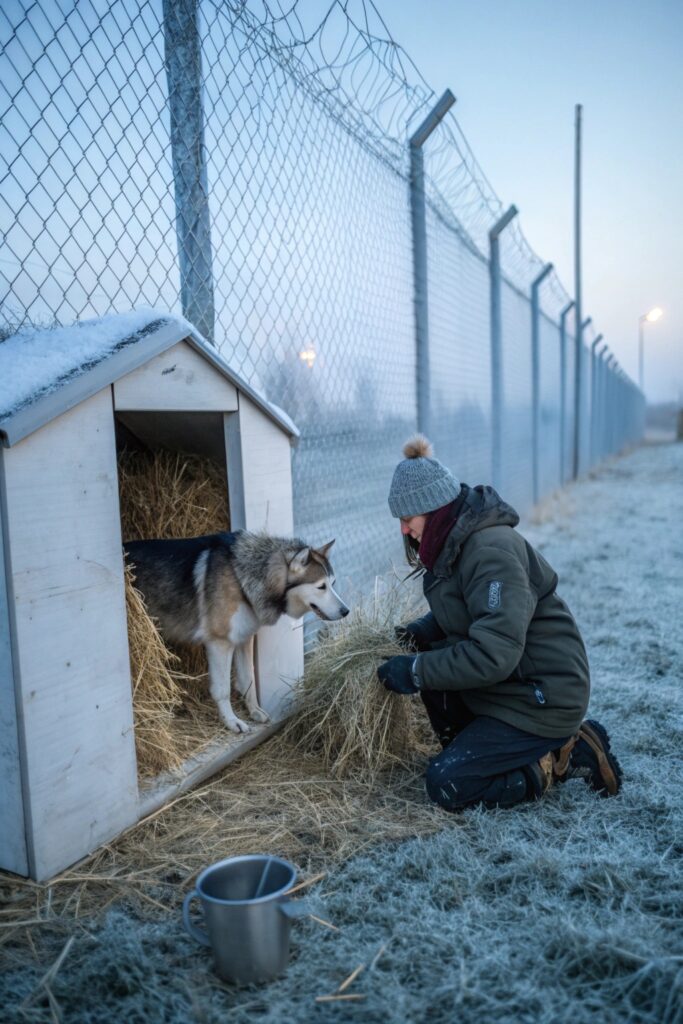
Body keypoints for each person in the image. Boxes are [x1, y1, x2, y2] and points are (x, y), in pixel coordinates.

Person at [377, 435, 622, 812]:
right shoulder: (451, 544)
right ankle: (505, 751)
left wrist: (415, 670)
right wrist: (422, 633)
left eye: (407, 519)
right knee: (432, 673)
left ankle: (560, 757)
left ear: (432, 509)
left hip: (542, 695)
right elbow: (470, 610)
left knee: (448, 783)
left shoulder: (491, 552)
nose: (404, 530)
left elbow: (495, 652)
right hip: (509, 685)